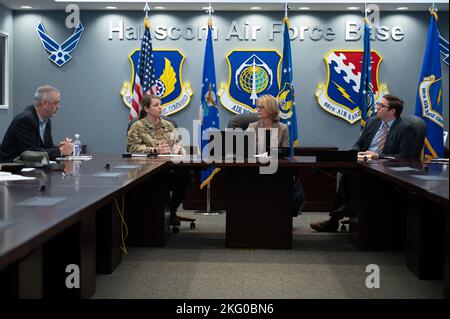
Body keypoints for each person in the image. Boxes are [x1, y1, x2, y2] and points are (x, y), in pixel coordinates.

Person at [310, 94, 417, 232]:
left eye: (381, 105)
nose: (377, 107)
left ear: (392, 111)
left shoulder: (406, 129)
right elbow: (358, 144)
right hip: (362, 164)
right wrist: (357, 153)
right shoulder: (372, 122)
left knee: (349, 177)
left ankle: (338, 217)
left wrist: (378, 156)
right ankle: (343, 212)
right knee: (346, 174)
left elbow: (404, 157)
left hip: (385, 171)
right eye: (378, 104)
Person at [127, 94, 191, 226]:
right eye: (156, 105)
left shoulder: (168, 125)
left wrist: (179, 149)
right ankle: (153, 217)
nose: (160, 108)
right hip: (146, 169)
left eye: (160, 104)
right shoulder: (137, 126)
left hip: (169, 167)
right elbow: (131, 148)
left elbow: (179, 144)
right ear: (146, 108)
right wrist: (155, 150)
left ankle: (172, 210)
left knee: (185, 175)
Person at [0, 85, 73, 163]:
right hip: (12, 167)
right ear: (44, 103)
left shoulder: (46, 120)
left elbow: (47, 147)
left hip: (32, 166)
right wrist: (59, 151)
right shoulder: (25, 120)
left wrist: (62, 148)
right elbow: (31, 152)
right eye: (56, 103)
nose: (58, 107)